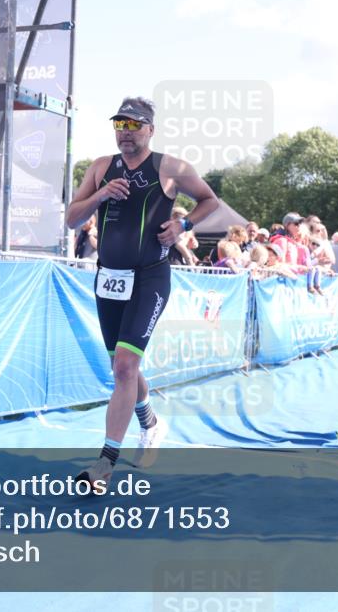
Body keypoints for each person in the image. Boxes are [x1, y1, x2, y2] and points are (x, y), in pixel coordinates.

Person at [65, 96, 218, 486]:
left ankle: (104, 465)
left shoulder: (171, 167)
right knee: (123, 367)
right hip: (109, 279)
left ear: (150, 129)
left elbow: (210, 200)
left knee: (124, 367)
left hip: (150, 278)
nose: (125, 132)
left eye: (134, 125)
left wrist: (183, 226)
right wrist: (100, 195)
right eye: (120, 124)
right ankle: (150, 423)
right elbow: (72, 219)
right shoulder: (101, 167)